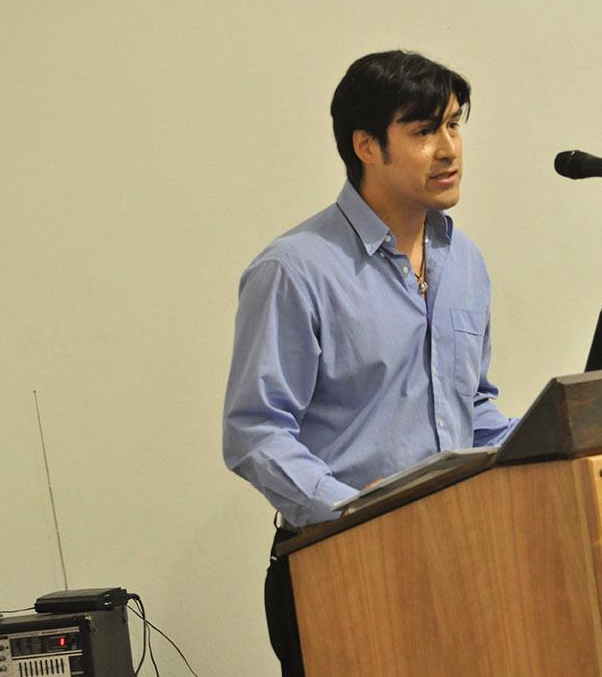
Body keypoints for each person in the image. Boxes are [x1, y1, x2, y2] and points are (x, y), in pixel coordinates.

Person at [222, 50, 517, 676]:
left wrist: (548, 437)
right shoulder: (295, 269)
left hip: (457, 557)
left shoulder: (466, 262)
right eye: (423, 131)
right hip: (342, 566)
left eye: (456, 125)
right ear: (366, 146)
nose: (449, 149)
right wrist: (352, 515)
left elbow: (471, 407)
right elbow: (255, 431)